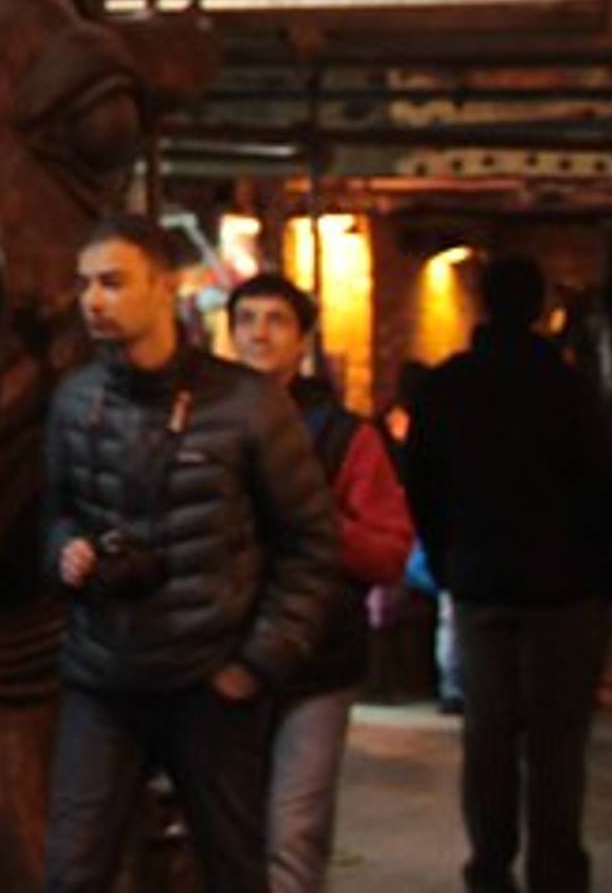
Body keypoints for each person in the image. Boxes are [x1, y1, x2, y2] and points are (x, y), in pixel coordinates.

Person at [40, 218, 343, 893]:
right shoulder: (75, 400)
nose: (93, 300)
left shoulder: (247, 404)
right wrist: (67, 552)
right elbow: (55, 514)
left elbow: (311, 545)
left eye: (113, 283)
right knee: (71, 869)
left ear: (165, 286)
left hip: (208, 681)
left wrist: (255, 664)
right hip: (103, 675)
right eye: (85, 284)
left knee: (232, 869)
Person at [401, 252, 612, 893]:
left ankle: (489, 865)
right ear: (540, 310)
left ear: (480, 304)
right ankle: (557, 869)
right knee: (557, 742)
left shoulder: (448, 388)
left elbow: (420, 483)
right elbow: (606, 490)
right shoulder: (569, 389)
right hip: (565, 587)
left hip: (481, 581)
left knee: (489, 734)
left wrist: (447, 555)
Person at [226, 271, 416, 893]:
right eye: (247, 320)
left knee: (295, 829)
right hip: (221, 654)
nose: (259, 333)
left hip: (317, 658)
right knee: (227, 829)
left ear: (303, 339)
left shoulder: (345, 436)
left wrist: (316, 525)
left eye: (275, 320)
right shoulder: (202, 424)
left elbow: (389, 549)